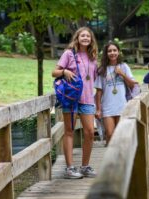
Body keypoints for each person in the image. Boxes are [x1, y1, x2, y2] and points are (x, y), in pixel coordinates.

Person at [51, 27, 98, 179]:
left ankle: (84, 167)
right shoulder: (69, 53)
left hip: (88, 99)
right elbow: (54, 72)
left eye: (88, 36)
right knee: (69, 131)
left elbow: (93, 77)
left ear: (91, 39)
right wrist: (64, 71)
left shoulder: (92, 56)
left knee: (90, 132)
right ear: (77, 38)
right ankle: (70, 169)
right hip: (71, 99)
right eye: (82, 35)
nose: (85, 38)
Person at [95, 41, 137, 145]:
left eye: (114, 50)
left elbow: (132, 85)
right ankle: (109, 154)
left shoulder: (124, 67)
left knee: (120, 135)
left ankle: (115, 158)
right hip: (107, 106)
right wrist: (98, 109)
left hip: (122, 105)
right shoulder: (102, 70)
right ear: (106, 53)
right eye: (109, 51)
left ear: (118, 52)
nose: (112, 53)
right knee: (110, 134)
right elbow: (99, 91)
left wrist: (122, 74)